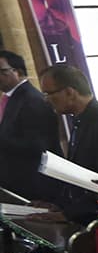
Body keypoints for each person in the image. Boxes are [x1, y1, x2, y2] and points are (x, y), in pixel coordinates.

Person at [41, 64, 98, 224]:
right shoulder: (81, 118)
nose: (46, 100)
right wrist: (60, 206)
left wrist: (69, 214)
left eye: (49, 93)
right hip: (84, 215)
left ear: (70, 92)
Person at [0, 51, 55, 200]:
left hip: (31, 182)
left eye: (1, 71)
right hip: (14, 179)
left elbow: (37, 145)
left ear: (17, 71)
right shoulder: (12, 97)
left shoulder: (32, 100)